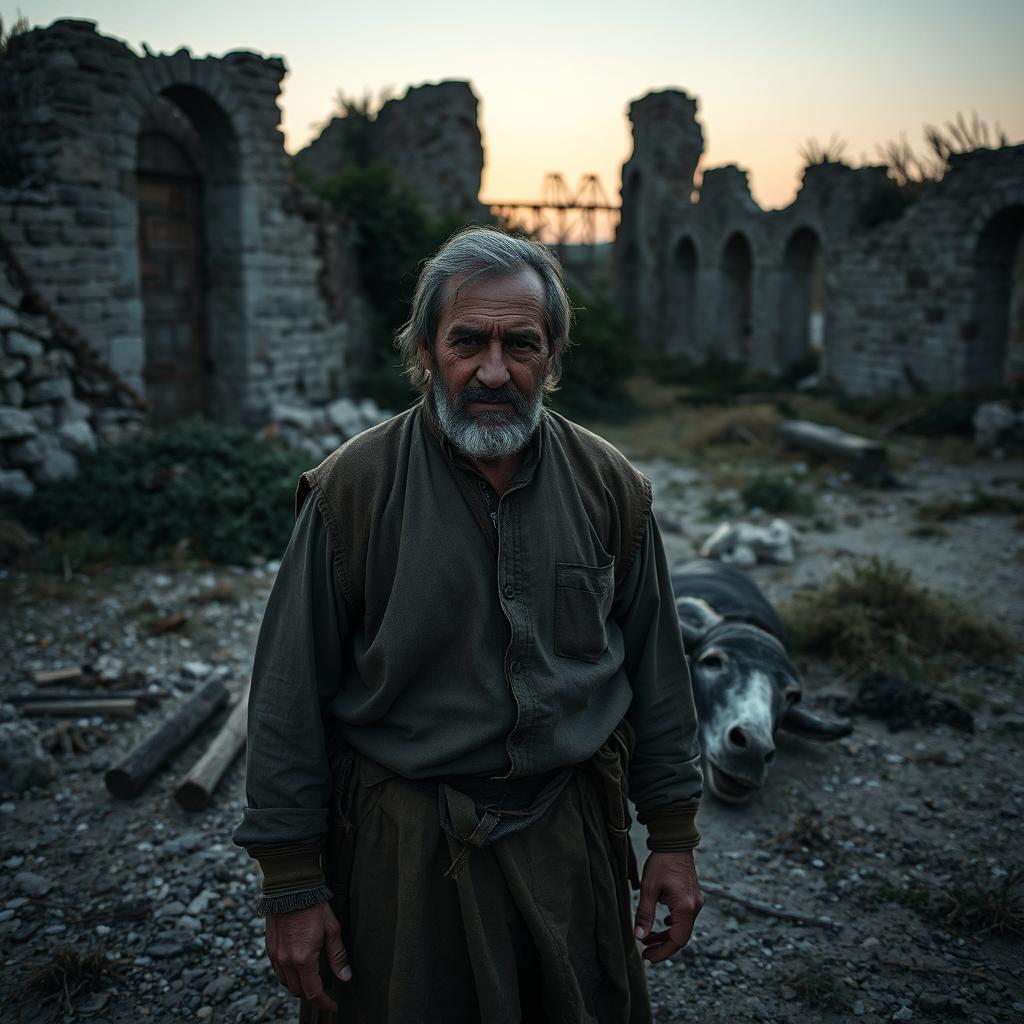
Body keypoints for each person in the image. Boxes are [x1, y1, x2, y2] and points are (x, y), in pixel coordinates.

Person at [233, 225, 704, 1023]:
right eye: (467, 342)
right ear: (425, 351)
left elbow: (659, 675)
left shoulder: (611, 487)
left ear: (551, 357)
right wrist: (292, 883)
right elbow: (287, 696)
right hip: (405, 858)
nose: (493, 371)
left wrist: (673, 837)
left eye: (520, 344)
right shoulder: (353, 490)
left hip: (571, 845)